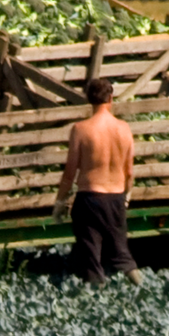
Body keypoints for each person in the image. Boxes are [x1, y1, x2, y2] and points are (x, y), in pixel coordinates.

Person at [53, 77, 143, 286]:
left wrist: (59, 203)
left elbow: (69, 172)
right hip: (116, 197)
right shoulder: (124, 129)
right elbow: (129, 171)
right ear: (111, 98)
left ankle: (96, 291)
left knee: (91, 254)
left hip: (90, 198)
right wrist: (126, 197)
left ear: (88, 99)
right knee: (122, 252)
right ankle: (141, 287)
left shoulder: (81, 129)